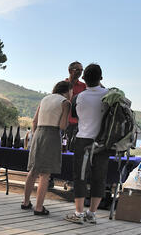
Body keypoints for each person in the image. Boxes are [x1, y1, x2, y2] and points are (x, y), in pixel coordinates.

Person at [66, 63, 108, 224]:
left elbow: (75, 116)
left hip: (83, 140)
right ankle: (92, 213)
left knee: (80, 176)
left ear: (84, 78)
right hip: (103, 141)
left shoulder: (80, 97)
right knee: (99, 177)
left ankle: (78, 213)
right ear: (101, 78)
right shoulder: (108, 96)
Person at [21, 81, 71, 216]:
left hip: (38, 134)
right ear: (68, 91)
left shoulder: (45, 99)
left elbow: (34, 121)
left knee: (33, 170)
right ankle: (38, 207)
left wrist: (35, 135)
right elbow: (62, 126)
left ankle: (25, 202)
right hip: (52, 135)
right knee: (45, 174)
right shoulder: (65, 102)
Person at [63, 61, 86, 149]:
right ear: (70, 71)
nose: (80, 72)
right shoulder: (62, 85)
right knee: (62, 149)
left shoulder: (84, 86)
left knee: (73, 150)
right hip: (63, 123)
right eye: (77, 70)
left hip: (78, 124)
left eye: (81, 70)